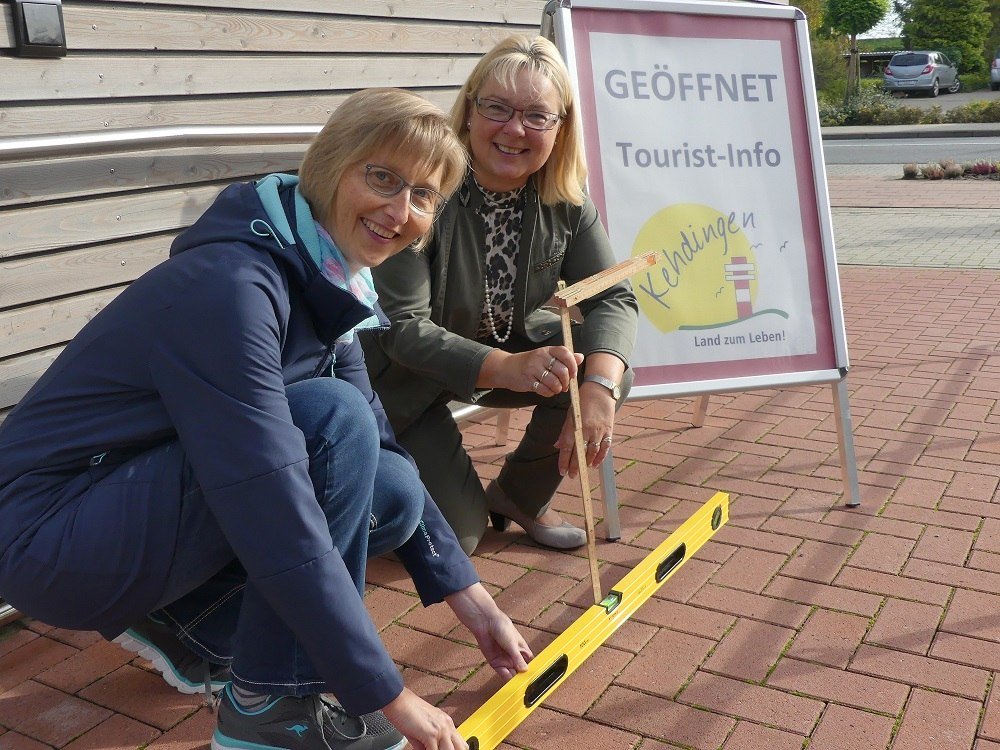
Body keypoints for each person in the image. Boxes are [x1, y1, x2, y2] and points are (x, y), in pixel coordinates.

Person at [0, 88, 531, 750]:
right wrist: (386, 694)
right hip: (50, 536)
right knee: (330, 425)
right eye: (381, 177)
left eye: (424, 194)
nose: (400, 211)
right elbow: (269, 493)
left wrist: (474, 603)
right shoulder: (233, 285)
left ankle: (190, 625)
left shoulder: (328, 274)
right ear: (329, 167)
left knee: (388, 491)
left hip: (122, 502)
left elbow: (387, 454)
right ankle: (272, 706)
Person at [362, 35, 639, 556]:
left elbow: (613, 298)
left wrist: (600, 386)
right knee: (460, 540)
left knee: (598, 368)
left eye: (538, 116)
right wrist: (507, 367)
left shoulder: (567, 202)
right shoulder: (423, 188)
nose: (515, 129)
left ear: (561, 129)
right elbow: (402, 327)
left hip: (506, 354)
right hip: (407, 379)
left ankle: (519, 497)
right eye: (497, 108)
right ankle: (374, 476)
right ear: (469, 112)